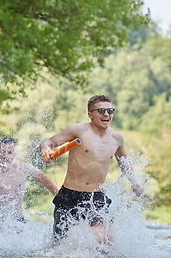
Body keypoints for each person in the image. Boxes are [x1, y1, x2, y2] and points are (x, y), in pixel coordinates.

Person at [39, 95, 143, 245]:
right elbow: (49, 142)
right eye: (101, 111)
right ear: (90, 114)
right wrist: (46, 149)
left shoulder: (117, 138)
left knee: (105, 241)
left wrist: (134, 182)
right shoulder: (78, 130)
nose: (106, 114)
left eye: (110, 111)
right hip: (69, 196)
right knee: (59, 247)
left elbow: (124, 162)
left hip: (96, 197)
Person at [0, 137, 59, 234]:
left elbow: (47, 182)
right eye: (2, 152)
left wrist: (61, 198)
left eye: (9, 152)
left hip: (17, 221)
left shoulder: (24, 169)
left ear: (14, 154)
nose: (5, 156)